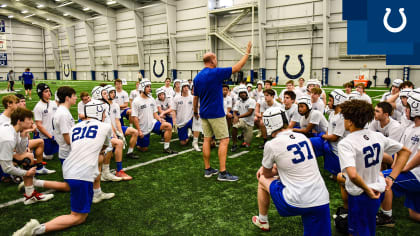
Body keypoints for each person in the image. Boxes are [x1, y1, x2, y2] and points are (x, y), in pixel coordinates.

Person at [13, 100, 115, 235]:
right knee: (78, 217)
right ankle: (37, 229)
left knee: (69, 186)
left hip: (68, 165)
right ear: (99, 112)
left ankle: (37, 182)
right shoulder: (105, 126)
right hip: (83, 171)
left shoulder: (76, 127)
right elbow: (104, 147)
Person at [252, 106, 331, 235]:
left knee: (262, 179)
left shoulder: (271, 144)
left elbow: (266, 174)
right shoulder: (302, 137)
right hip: (321, 198)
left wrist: (273, 170)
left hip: (295, 201)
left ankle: (263, 219)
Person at [337, 100, 410, 236]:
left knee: (358, 230)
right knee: (368, 227)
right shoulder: (377, 136)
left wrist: (366, 189)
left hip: (361, 192)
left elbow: (352, 175)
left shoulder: (346, 143)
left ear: (351, 121)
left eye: (345, 118)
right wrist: (392, 178)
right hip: (377, 187)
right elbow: (405, 152)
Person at [193, 41, 252, 182]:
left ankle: (208, 169)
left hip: (204, 113)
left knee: (207, 139)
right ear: (212, 60)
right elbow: (238, 67)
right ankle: (223, 172)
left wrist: (195, 111)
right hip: (216, 113)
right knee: (224, 140)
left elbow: (196, 97)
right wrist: (247, 52)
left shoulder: (197, 77)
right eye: (216, 58)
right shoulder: (216, 73)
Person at [1, 108, 70, 206]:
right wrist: (26, 173)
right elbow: (6, 168)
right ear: (19, 121)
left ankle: (30, 196)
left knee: (28, 157)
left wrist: (25, 134)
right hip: (3, 158)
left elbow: (21, 150)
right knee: (25, 160)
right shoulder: (7, 138)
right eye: (29, 119)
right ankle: (31, 189)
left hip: (4, 152)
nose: (32, 122)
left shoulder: (14, 129)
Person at [377, 89, 420, 226]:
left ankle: (386, 217)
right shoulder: (410, 127)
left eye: (408, 107)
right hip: (409, 171)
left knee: (380, 179)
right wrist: (396, 165)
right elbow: (399, 150)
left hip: (416, 174)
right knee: (414, 215)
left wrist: (402, 168)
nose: (405, 110)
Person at [131, 79, 177, 154]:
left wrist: (160, 119)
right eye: (147, 86)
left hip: (153, 123)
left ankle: (166, 148)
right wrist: (139, 130)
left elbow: (155, 113)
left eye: (150, 86)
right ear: (142, 88)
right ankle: (138, 143)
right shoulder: (136, 101)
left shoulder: (152, 99)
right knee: (143, 149)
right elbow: (134, 118)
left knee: (168, 126)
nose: (150, 88)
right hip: (143, 127)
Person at [310, 89, 348, 177]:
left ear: (338, 102)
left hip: (336, 149)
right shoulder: (332, 114)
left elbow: (335, 137)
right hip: (328, 141)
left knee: (336, 176)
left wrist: (324, 136)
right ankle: (309, 166)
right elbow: (328, 129)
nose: (328, 103)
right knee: (309, 142)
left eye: (330, 101)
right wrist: (325, 136)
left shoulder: (342, 117)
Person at [33, 83, 58, 160]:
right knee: (49, 157)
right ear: (41, 94)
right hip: (45, 136)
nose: (49, 93)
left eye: (49, 90)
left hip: (54, 134)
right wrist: (50, 136)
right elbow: (39, 125)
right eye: (46, 91)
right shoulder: (38, 107)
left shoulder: (53, 103)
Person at [53, 87, 77, 165]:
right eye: (74, 95)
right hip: (68, 152)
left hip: (68, 151)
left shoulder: (63, 110)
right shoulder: (63, 114)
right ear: (67, 98)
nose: (76, 98)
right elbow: (67, 138)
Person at [173, 81, 200, 150]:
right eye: (184, 86)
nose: (186, 88)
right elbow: (174, 110)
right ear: (181, 88)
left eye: (187, 86)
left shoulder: (192, 97)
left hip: (190, 119)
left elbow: (196, 107)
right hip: (181, 121)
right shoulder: (176, 98)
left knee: (197, 123)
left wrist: (197, 114)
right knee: (183, 143)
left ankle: (195, 141)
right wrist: (174, 122)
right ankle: (187, 136)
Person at [231, 86, 256, 152]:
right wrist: (235, 117)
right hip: (242, 120)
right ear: (239, 94)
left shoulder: (252, 101)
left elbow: (249, 113)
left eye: (244, 92)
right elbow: (234, 111)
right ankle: (234, 144)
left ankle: (243, 135)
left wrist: (238, 117)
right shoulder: (238, 102)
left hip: (250, 122)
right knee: (234, 125)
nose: (242, 94)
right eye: (241, 93)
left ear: (246, 93)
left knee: (247, 143)